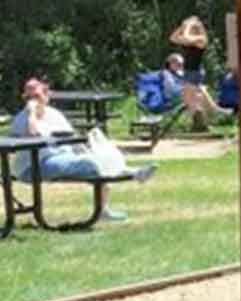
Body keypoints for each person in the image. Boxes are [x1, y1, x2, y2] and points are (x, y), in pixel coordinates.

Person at [10, 79, 148, 220]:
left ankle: (109, 201)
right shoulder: (22, 119)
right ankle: (129, 174)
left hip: (62, 157)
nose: (32, 101)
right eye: (28, 97)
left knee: (98, 160)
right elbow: (34, 135)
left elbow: (71, 136)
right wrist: (32, 112)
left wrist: (85, 148)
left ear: (46, 96)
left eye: (36, 96)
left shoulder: (55, 114)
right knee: (91, 165)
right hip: (32, 166)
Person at [168, 16, 229, 128]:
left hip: (194, 72)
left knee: (190, 98)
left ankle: (202, 120)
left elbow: (186, 37)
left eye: (192, 29)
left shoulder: (200, 39)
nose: (189, 30)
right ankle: (204, 117)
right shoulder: (189, 42)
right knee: (191, 98)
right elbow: (173, 38)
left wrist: (187, 25)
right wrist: (182, 26)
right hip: (189, 72)